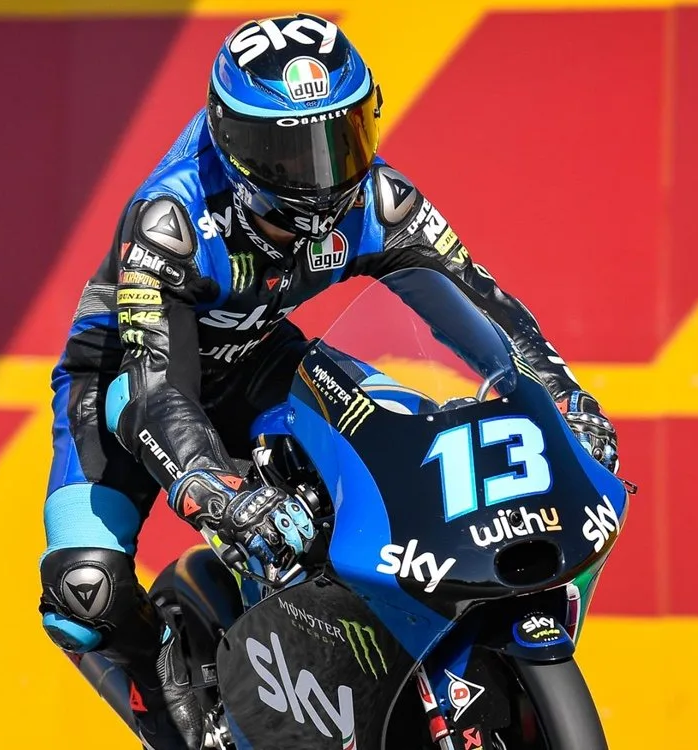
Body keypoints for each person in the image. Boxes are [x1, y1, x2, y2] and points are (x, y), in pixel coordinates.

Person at [37, 13, 620, 749]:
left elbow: (477, 303)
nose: (321, 173)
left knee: (406, 453)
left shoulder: (378, 197)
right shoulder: (173, 220)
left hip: (262, 356)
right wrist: (217, 490)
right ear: (231, 141)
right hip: (125, 381)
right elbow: (156, 393)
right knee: (84, 594)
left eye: (339, 136)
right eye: (289, 152)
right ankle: (183, 714)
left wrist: (559, 393)